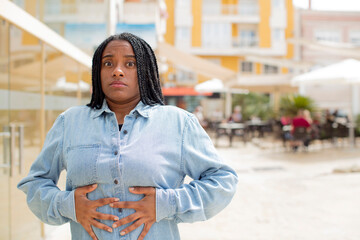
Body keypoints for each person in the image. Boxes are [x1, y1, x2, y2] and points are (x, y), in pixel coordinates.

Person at [17, 33, 238, 240]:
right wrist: (67, 205)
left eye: (130, 64)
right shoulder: (70, 123)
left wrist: (166, 204)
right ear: (98, 72)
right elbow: (35, 183)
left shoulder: (178, 123)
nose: (117, 71)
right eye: (108, 63)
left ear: (145, 71)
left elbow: (222, 181)